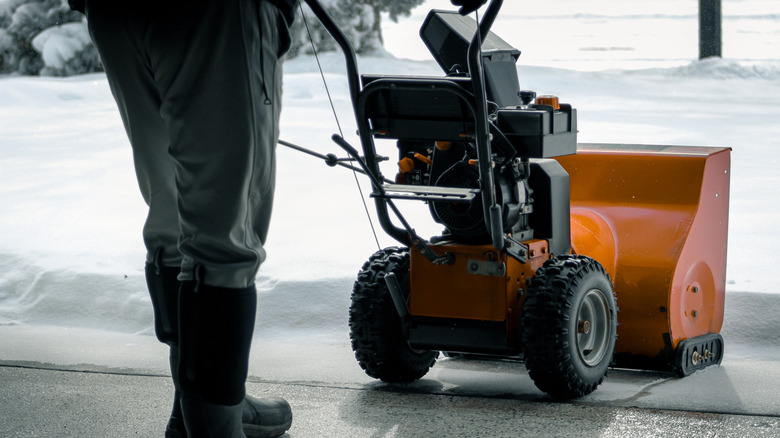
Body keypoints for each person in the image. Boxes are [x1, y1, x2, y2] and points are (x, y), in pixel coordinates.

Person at [69, 0, 297, 436]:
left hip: (112, 9)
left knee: (172, 215)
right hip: (215, 14)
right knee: (223, 236)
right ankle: (215, 423)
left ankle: (199, 407)